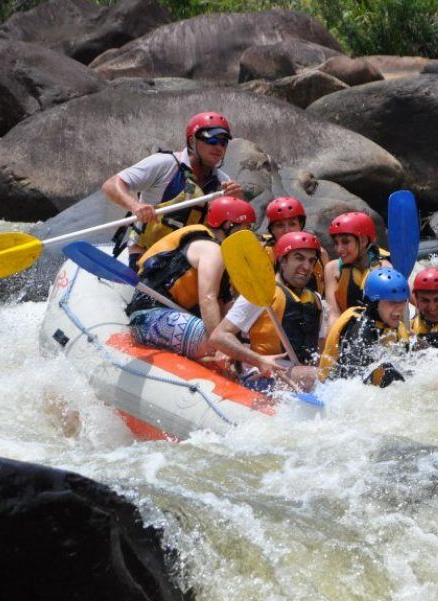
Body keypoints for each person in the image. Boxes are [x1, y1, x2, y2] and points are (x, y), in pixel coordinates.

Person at [102, 111, 244, 269]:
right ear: (192, 141)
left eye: (223, 142)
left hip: (189, 260)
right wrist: (135, 206)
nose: (218, 147)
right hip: (148, 254)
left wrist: (237, 203)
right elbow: (112, 184)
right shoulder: (165, 164)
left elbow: (230, 230)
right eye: (212, 139)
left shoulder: (223, 182)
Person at [124, 196, 255, 360]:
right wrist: (224, 346)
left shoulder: (222, 256)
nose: (249, 234)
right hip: (149, 318)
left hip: (166, 316)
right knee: (224, 346)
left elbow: (226, 308)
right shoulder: (211, 249)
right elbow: (208, 299)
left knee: (237, 348)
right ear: (229, 225)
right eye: (247, 227)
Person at [210, 231, 327, 392]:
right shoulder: (261, 293)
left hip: (299, 376)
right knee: (312, 376)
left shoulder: (316, 300)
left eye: (311, 260)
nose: (306, 267)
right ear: (283, 260)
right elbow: (219, 336)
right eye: (299, 258)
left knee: (321, 376)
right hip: (261, 373)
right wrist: (259, 360)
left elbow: (319, 349)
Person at [319, 267, 410, 387]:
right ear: (374, 303)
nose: (399, 309)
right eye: (392, 302)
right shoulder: (360, 328)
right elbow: (352, 381)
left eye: (402, 301)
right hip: (332, 390)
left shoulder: (396, 327)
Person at [323, 211, 391, 326]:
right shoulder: (332, 269)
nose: (339, 249)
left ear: (363, 241)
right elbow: (333, 314)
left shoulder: (384, 268)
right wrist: (334, 340)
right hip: (347, 333)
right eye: (336, 243)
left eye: (345, 242)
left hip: (379, 333)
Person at [259, 196, 330, 293]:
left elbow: (329, 290)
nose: (287, 230)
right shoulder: (264, 254)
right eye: (280, 225)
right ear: (272, 230)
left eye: (292, 224)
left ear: (301, 225)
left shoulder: (320, 254)